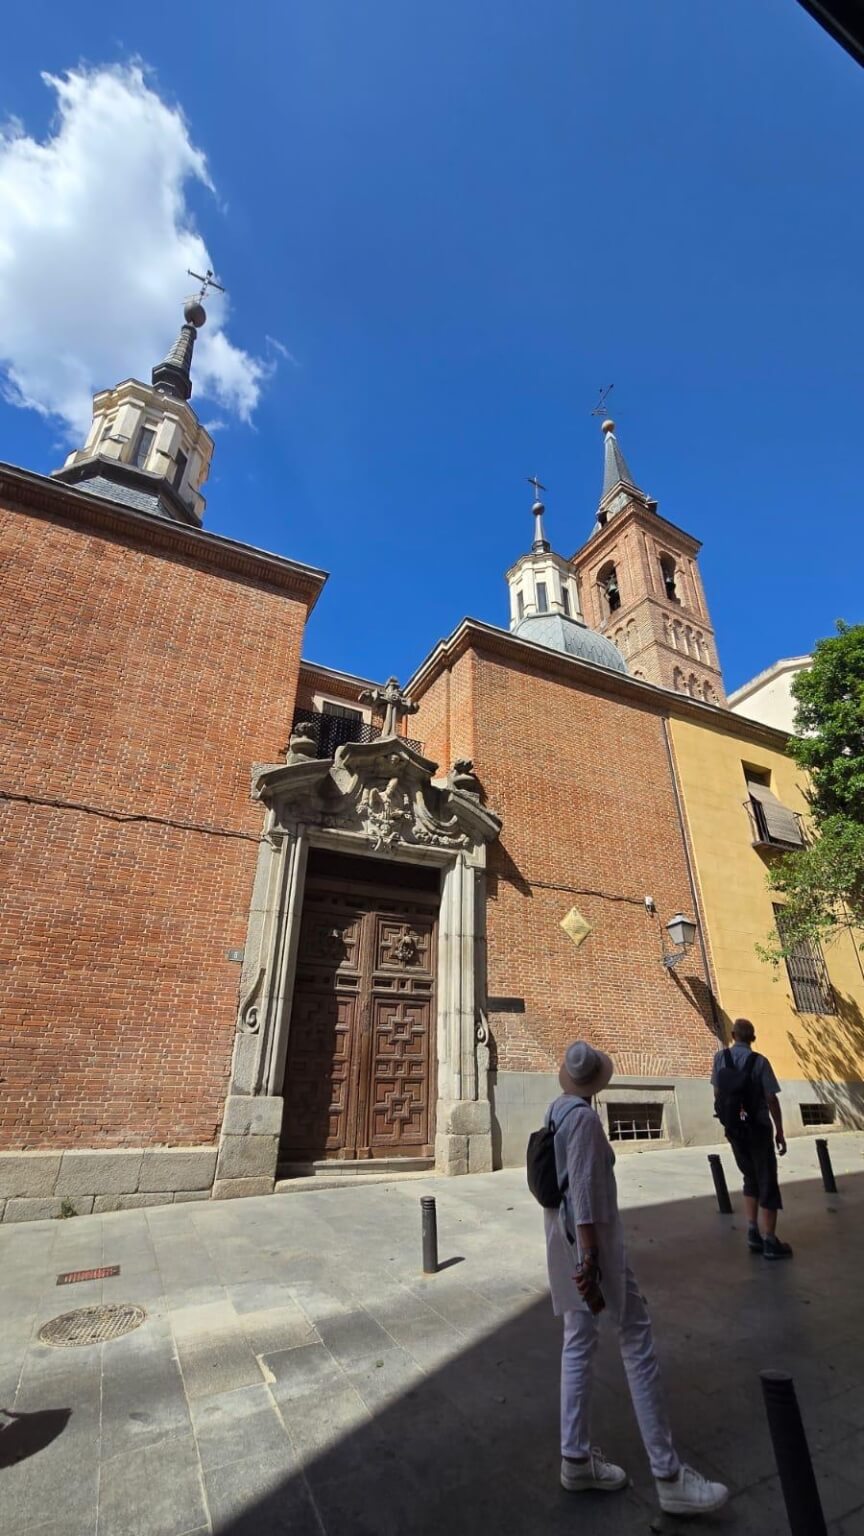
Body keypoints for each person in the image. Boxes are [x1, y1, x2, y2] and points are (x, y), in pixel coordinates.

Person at [544, 1040, 728, 1516]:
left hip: (561, 1238)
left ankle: (575, 1459)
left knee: (578, 1340)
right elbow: (584, 1192)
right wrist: (591, 1260)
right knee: (636, 1338)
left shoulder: (555, 1111)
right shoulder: (584, 1120)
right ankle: (669, 1476)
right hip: (593, 1245)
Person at [712, 1018, 792, 1260]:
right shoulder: (760, 1062)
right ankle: (770, 1241)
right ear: (753, 1038)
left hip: (735, 1129)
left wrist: (729, 1119)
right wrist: (779, 1130)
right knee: (767, 1179)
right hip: (758, 1127)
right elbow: (771, 1098)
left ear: (733, 1035)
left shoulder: (720, 1058)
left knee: (749, 1177)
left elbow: (717, 1092)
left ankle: (752, 1231)